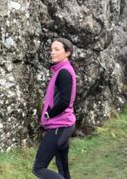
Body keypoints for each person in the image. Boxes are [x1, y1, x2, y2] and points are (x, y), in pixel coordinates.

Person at [33, 37, 77, 179]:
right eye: (51, 49)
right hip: (65, 125)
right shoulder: (62, 70)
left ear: (67, 53)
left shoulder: (64, 72)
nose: (52, 52)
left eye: (57, 49)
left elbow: (65, 101)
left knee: (39, 168)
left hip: (59, 125)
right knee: (62, 167)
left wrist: (48, 115)